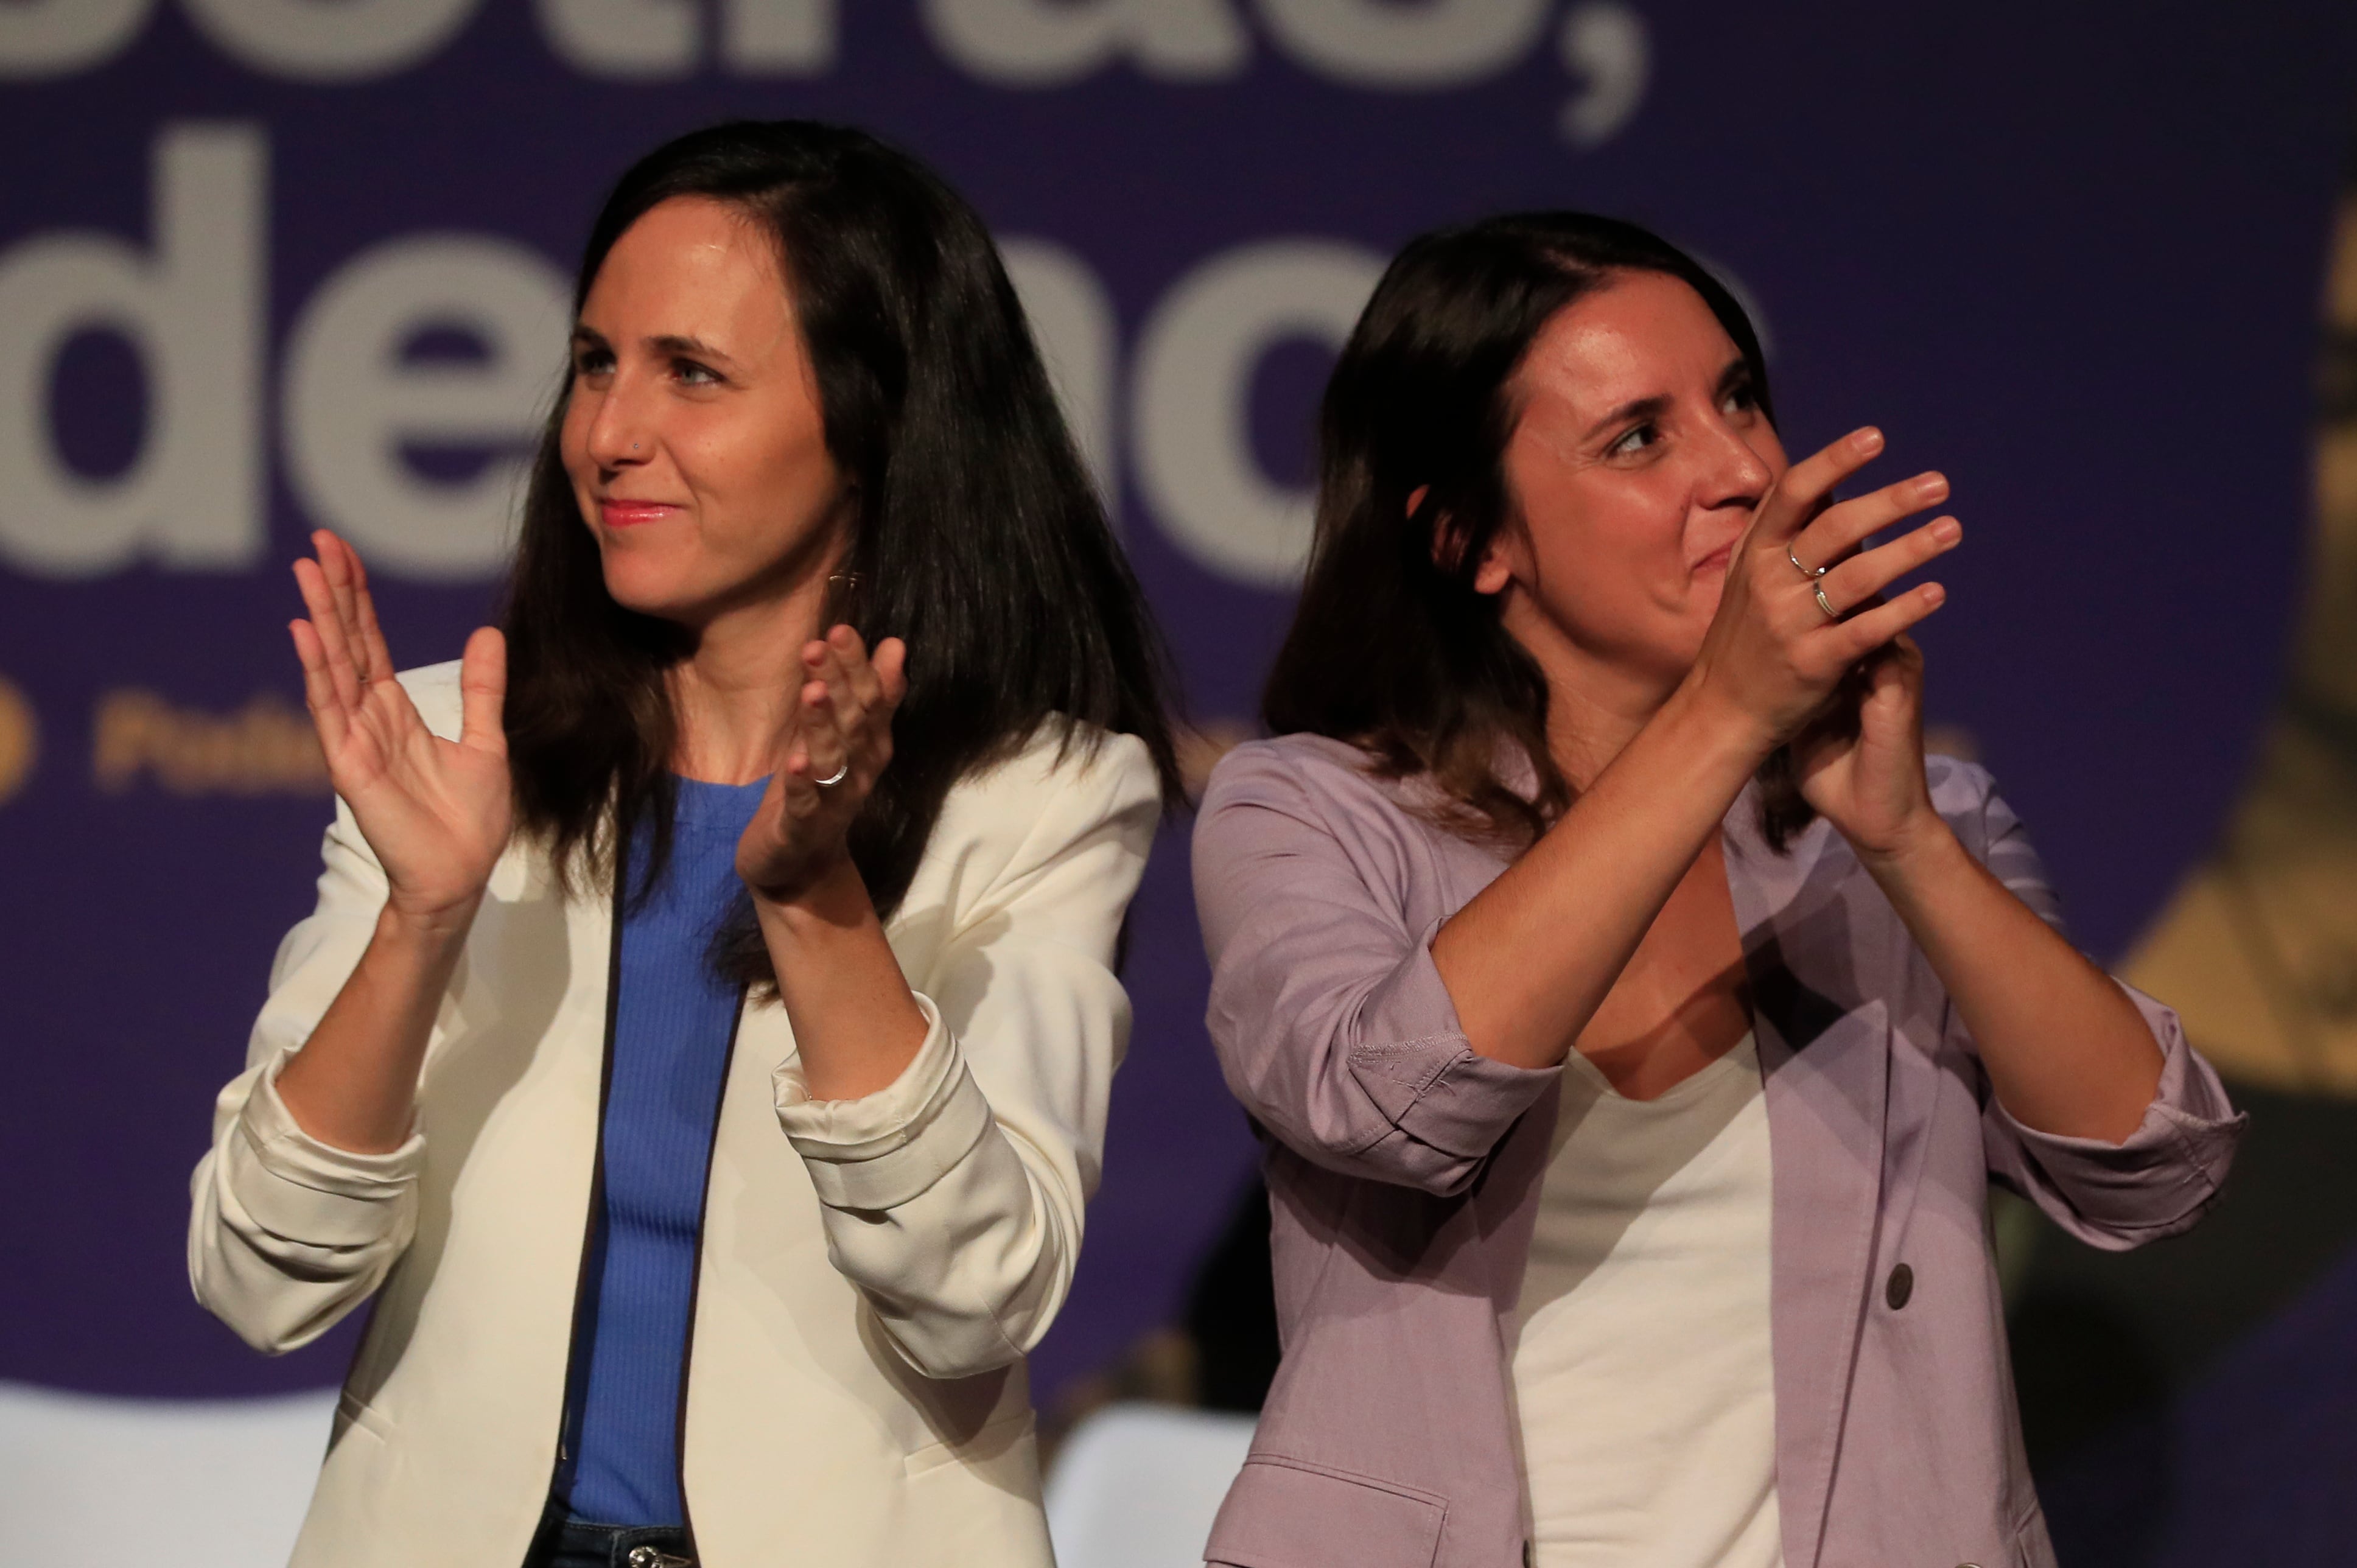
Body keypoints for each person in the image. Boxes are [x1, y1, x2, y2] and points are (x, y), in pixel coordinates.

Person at [190, 120, 1178, 1568]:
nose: (608, 434)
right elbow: (258, 1271)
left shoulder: (1038, 795)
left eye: (692, 375)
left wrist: (817, 897)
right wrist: (425, 914)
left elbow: (976, 1293)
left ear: (872, 423)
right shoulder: (458, 751)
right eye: (597, 362)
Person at [1189, 212, 2244, 1568]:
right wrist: (1727, 715)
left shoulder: (1904, 830)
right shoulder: (1314, 810)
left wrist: (1909, 841)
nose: (1742, 469)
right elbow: (1387, 1104)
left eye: (1739, 399)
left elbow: (2157, 1169)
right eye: (1639, 437)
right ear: (1469, 541)